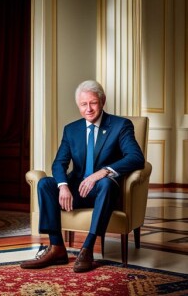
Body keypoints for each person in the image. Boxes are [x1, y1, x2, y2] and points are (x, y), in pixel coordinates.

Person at [20, 80, 145, 273]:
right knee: (45, 184)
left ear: (102, 101)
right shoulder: (71, 130)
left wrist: (102, 172)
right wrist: (63, 185)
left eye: (93, 103)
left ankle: (87, 248)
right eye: (83, 104)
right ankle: (57, 247)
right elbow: (59, 163)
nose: (88, 109)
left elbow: (136, 157)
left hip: (103, 191)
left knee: (106, 184)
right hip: (77, 189)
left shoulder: (120, 125)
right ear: (78, 105)